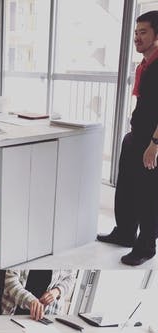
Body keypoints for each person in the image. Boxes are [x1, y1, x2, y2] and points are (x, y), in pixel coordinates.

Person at [97, 11, 158, 266]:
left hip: (151, 142)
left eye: (143, 32)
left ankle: (146, 246)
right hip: (137, 136)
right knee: (127, 189)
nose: (137, 38)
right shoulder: (145, 64)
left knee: (147, 195)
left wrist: (154, 145)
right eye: (136, 32)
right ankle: (125, 233)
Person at [1, 270, 76, 321]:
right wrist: (30, 300)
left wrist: (58, 290)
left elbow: (71, 277)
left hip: (50, 314)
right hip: (15, 312)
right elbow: (10, 281)